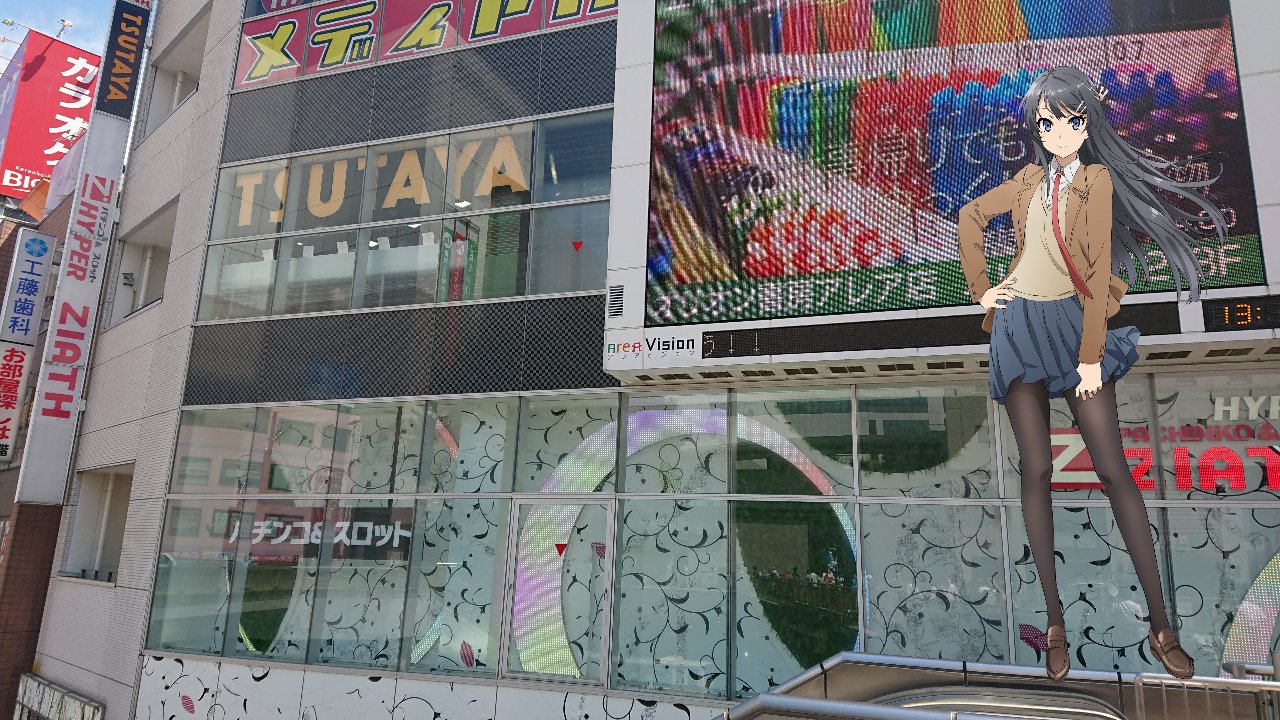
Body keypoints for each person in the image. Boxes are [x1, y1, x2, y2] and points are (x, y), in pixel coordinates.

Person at [956, 65, 1228, 682]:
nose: (1057, 133)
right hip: (1018, 326)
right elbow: (971, 218)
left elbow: (1098, 265)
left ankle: (1161, 625)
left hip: (1073, 325)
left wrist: (1088, 358)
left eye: (1070, 121)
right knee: (1036, 470)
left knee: (1113, 471)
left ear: (1088, 124)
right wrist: (982, 291)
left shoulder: (1095, 181)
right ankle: (1055, 623)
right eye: (1046, 123)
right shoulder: (1027, 179)